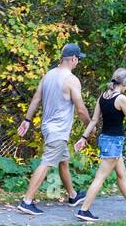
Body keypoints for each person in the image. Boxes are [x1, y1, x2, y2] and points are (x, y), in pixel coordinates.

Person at [15, 43, 92, 215]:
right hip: (58, 130)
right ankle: (27, 201)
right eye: (78, 59)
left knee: (63, 161)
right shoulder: (72, 80)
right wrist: (90, 125)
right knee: (47, 163)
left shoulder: (48, 75)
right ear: (73, 59)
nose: (78, 62)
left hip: (48, 128)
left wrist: (27, 119)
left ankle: (73, 195)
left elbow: (36, 98)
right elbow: (80, 109)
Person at [72, 67, 126, 222]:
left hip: (106, 140)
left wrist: (83, 137)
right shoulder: (121, 99)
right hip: (114, 142)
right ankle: (83, 210)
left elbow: (94, 120)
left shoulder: (103, 96)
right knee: (100, 177)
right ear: (125, 83)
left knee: (121, 174)